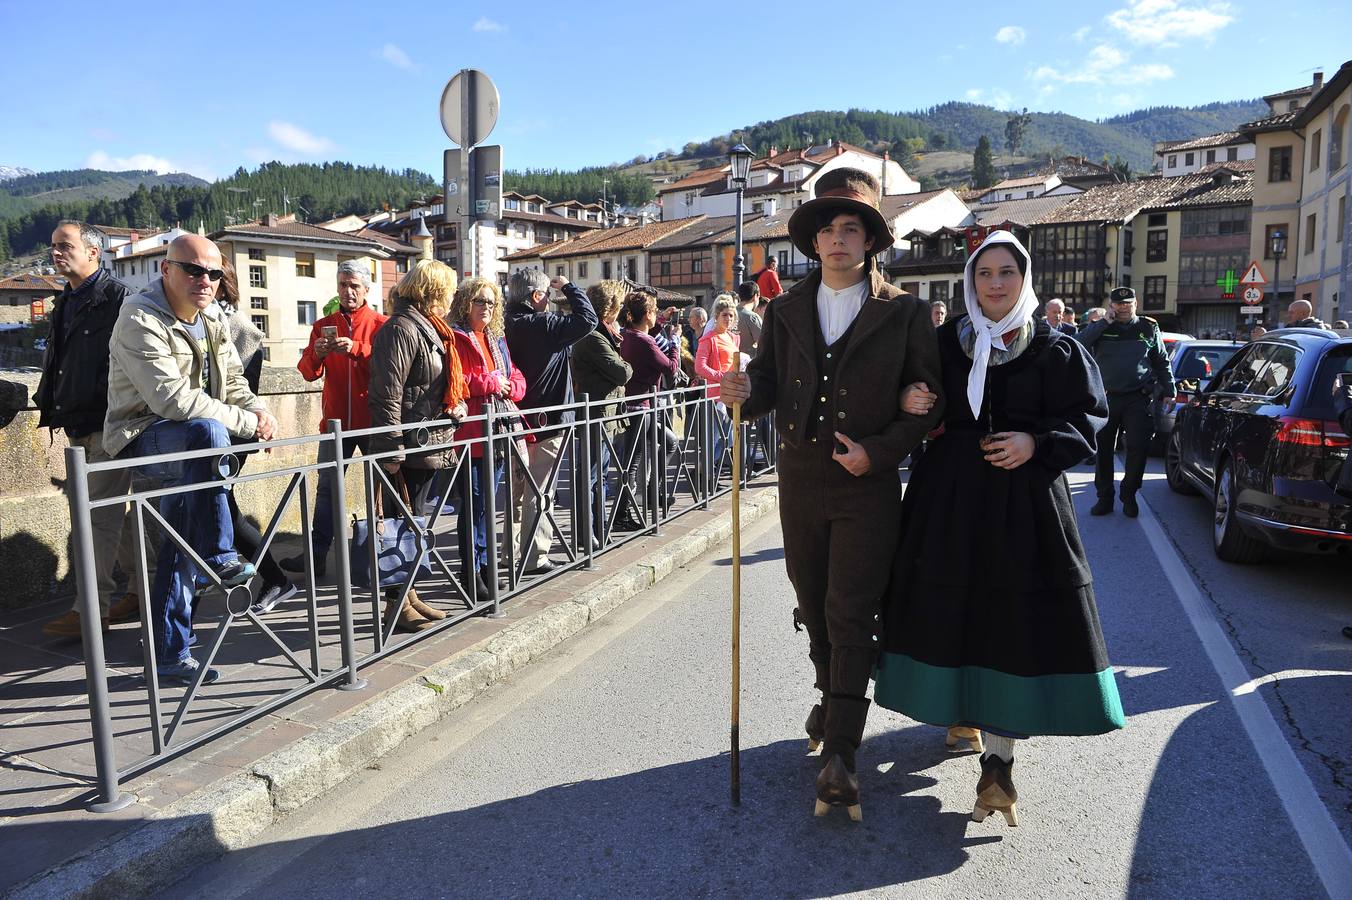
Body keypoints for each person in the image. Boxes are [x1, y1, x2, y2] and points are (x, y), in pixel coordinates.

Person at [719, 167, 942, 820]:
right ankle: (830, 696)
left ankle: (841, 751)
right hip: (799, 482)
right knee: (813, 606)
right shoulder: (783, 310)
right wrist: (744, 397)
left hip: (865, 487)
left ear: (869, 240)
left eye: (851, 227)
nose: (838, 239)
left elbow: (926, 404)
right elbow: (763, 383)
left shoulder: (902, 312)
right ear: (813, 243)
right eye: (828, 229)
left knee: (850, 612)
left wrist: (878, 450)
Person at [883, 229, 1122, 827]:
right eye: (984, 273)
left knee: (1010, 621)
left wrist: (1035, 441)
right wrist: (912, 396)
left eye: (1006, 273)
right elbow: (914, 392)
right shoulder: (944, 342)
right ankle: (963, 714)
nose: (994, 284)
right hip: (951, 501)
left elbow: (1089, 418)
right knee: (957, 612)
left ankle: (999, 763)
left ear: (1025, 279)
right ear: (969, 281)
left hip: (1025, 503)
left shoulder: (1055, 348)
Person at [105, 235, 277, 685]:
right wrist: (243, 422)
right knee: (207, 429)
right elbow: (172, 401)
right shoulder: (139, 316)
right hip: (143, 436)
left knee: (177, 550)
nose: (206, 281)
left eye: (215, 273)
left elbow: (235, 379)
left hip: (198, 445)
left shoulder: (212, 317)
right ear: (166, 270)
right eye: (194, 270)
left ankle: (170, 656)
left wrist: (258, 410)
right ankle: (219, 555)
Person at [37, 221, 140, 638]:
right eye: (54, 247)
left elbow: (132, 362)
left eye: (65, 246)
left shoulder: (120, 299)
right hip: (75, 421)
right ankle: (144, 586)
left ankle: (91, 612)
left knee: (95, 516)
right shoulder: (66, 300)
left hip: (109, 424)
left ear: (94, 252)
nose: (56, 253)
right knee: (115, 512)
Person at [367, 260, 468, 631]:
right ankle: (396, 607)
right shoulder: (401, 329)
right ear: (432, 292)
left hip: (427, 440)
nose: (453, 296)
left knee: (414, 523)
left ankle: (409, 595)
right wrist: (391, 450)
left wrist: (454, 405)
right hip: (408, 445)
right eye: (449, 290)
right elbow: (385, 394)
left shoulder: (428, 328)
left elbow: (433, 386)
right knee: (401, 523)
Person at [283, 261, 388, 577]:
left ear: (366, 289)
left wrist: (356, 348)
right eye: (343, 285)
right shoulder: (323, 324)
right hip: (334, 423)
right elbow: (307, 373)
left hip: (373, 421)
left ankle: (380, 556)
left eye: (354, 285)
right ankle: (315, 558)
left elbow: (388, 367)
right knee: (326, 490)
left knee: (380, 490)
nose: (348, 291)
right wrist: (316, 353)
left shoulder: (382, 324)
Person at [208, 261, 295, 614]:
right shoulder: (202, 321)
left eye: (208, 274)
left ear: (221, 282)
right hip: (208, 437)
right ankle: (273, 579)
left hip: (229, 438)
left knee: (217, 512)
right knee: (219, 514)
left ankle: (273, 579)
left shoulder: (239, 329)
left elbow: (245, 394)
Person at [503, 269, 597, 575]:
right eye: (547, 293)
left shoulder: (507, 323)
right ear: (536, 296)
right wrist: (570, 288)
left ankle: (510, 552)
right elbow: (588, 320)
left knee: (517, 491)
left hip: (516, 419)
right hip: (549, 418)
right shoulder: (544, 324)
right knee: (541, 489)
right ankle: (536, 556)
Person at [448, 277, 527, 596]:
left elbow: (515, 375)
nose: (486, 308)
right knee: (475, 507)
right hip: (471, 433)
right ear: (466, 302)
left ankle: (485, 566)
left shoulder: (497, 338)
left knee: (488, 504)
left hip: (498, 430)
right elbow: (455, 381)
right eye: (480, 301)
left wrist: (513, 388)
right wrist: (490, 384)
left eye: (491, 303)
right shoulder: (455, 337)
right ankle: (471, 571)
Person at [1078, 286, 1174, 518]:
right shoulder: (1101, 327)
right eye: (1118, 303)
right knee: (1103, 450)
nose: (1123, 307)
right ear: (1112, 305)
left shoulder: (1148, 327)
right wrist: (1103, 323)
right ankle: (1105, 498)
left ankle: (1129, 495)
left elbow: (1160, 361)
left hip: (1137, 398)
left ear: (1135, 304)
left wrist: (1170, 389)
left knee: (1138, 449)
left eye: (1128, 303)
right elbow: (1079, 343)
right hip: (1106, 397)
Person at [569, 280, 632, 544]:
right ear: (609, 308)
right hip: (596, 416)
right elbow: (622, 373)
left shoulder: (603, 333)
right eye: (618, 306)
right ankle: (588, 534)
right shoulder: (594, 336)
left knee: (600, 477)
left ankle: (599, 531)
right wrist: (626, 363)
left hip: (604, 415)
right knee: (591, 477)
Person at [617, 291, 680, 531]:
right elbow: (671, 367)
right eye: (654, 312)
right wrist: (674, 342)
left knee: (669, 441)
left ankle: (653, 492)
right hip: (639, 408)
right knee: (631, 465)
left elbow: (649, 341)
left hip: (639, 406)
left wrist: (661, 323)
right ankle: (622, 514)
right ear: (646, 314)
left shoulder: (630, 335)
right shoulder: (643, 342)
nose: (656, 315)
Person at [696, 294, 742, 479]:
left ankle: (708, 473)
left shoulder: (733, 338)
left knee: (727, 439)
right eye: (725, 315)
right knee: (714, 438)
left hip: (731, 394)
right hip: (714, 395)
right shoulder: (708, 339)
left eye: (731, 315)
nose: (728, 319)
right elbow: (700, 367)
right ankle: (705, 476)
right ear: (716, 316)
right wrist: (721, 376)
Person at [735, 281, 763, 356]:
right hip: (748, 363)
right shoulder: (752, 317)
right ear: (755, 296)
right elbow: (764, 343)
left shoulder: (729, 314)